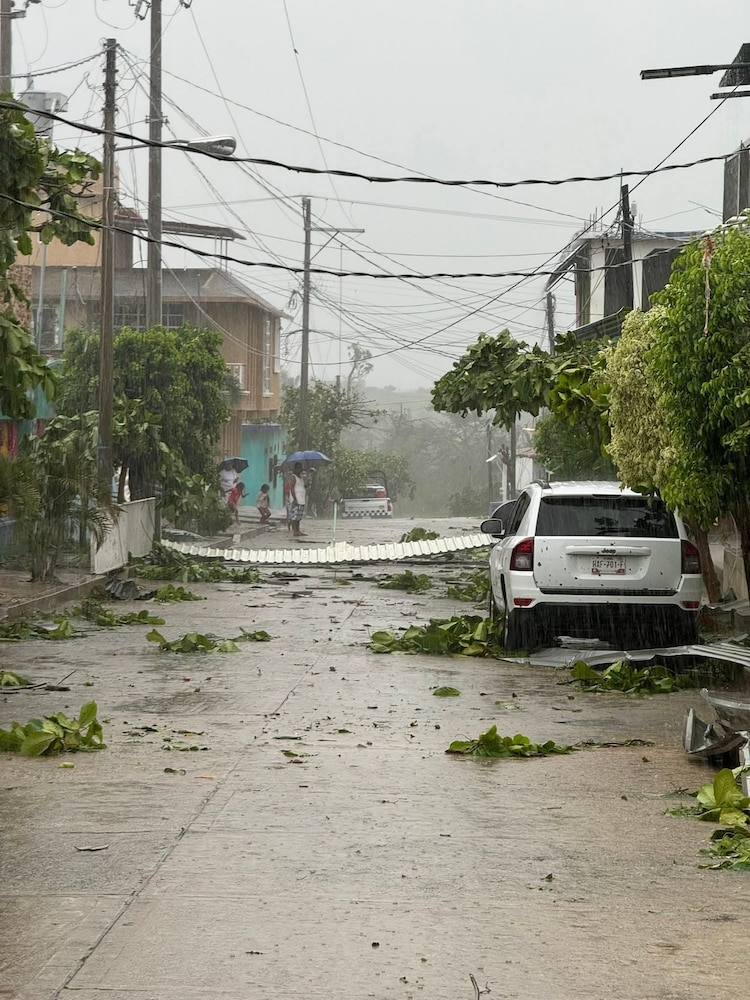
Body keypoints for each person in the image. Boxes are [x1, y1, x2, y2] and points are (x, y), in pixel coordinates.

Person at [287, 462, 306, 537]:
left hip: (301, 500)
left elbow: (300, 487)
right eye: (299, 468)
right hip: (296, 500)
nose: (300, 469)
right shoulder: (293, 477)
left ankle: (298, 530)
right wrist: (294, 498)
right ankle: (295, 531)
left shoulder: (300, 477)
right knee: (294, 517)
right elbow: (291, 488)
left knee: (299, 517)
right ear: (296, 469)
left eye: (301, 468)